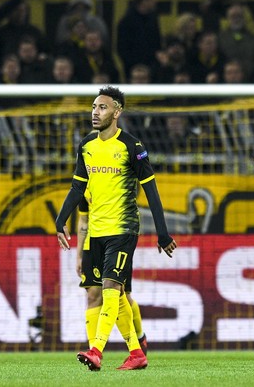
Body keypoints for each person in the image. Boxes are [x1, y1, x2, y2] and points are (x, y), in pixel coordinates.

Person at [54, 86, 177, 371]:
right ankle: (136, 352)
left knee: (111, 287)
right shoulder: (87, 145)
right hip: (95, 232)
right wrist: (60, 219)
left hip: (123, 230)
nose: (95, 112)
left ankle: (96, 349)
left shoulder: (132, 147)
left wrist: (162, 232)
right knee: (112, 293)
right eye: (94, 107)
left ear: (117, 112)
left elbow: (152, 191)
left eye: (102, 107)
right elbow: (77, 187)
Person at [76, 197, 148, 357]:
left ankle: (139, 339)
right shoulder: (85, 182)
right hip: (93, 244)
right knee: (93, 295)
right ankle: (93, 352)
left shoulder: (117, 179)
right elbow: (83, 219)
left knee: (122, 295)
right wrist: (79, 255)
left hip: (118, 240)